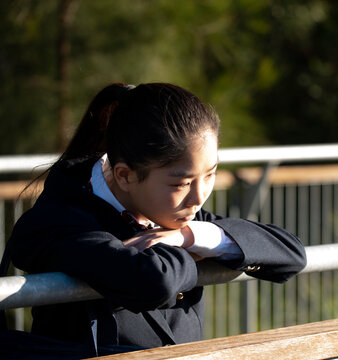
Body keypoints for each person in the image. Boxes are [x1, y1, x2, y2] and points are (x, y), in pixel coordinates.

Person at [7, 83, 307, 352]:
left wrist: (192, 236)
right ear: (125, 175)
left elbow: (291, 255)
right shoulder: (60, 218)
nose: (199, 196)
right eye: (181, 183)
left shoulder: (176, 212)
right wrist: (196, 251)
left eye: (211, 174)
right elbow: (154, 281)